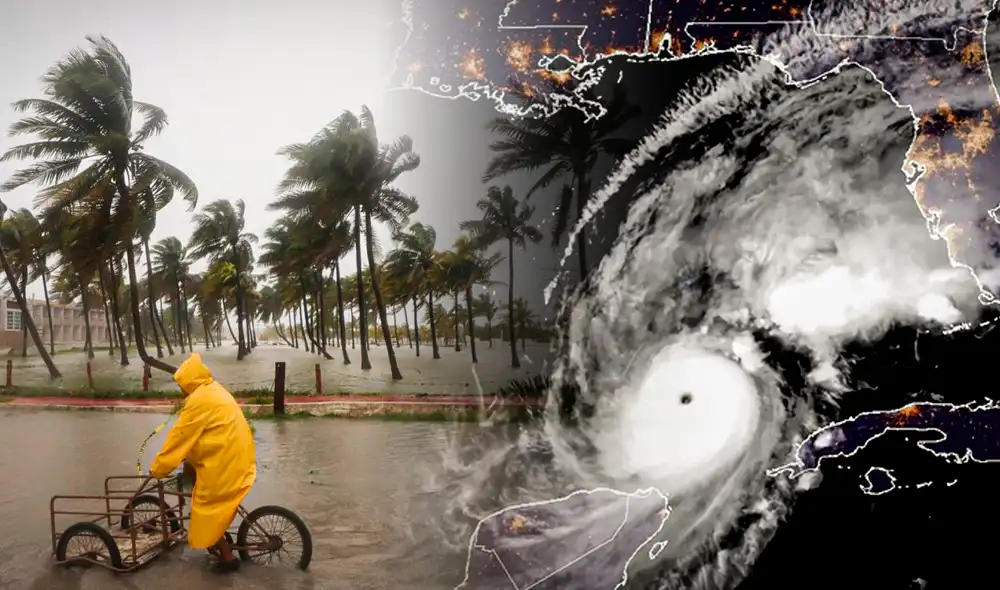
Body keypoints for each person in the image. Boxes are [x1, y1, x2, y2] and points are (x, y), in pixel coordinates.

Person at [149, 353, 257, 573]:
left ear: (189, 381)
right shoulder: (214, 389)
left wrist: (158, 469)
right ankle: (219, 538)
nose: (181, 390)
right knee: (203, 489)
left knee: (205, 508)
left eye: (182, 385)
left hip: (225, 462)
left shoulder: (198, 401)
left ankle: (227, 558)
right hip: (238, 455)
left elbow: (178, 439)